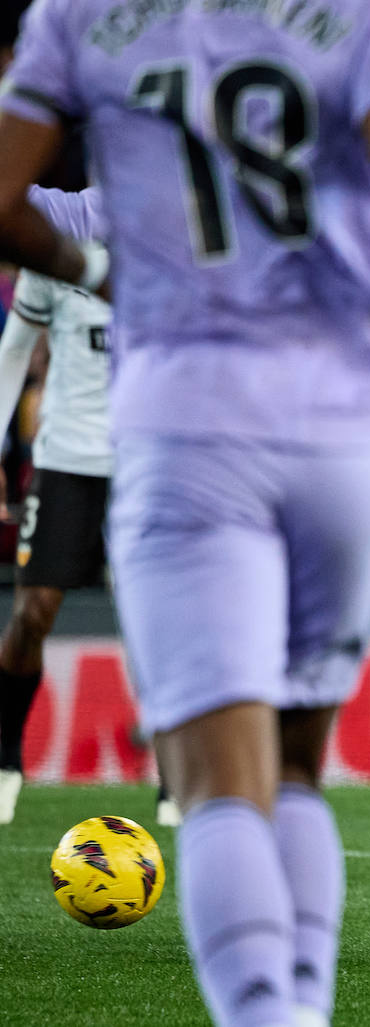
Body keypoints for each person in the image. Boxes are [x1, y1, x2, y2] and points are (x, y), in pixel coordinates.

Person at [0, 4, 370, 1025]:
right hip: (340, 425)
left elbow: (5, 199)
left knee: (219, 785)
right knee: (298, 768)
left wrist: (102, 269)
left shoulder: (78, 18)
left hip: (186, 422)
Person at [0, 186, 114, 825]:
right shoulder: (62, 236)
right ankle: (6, 753)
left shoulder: (189, 238)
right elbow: (16, 347)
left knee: (166, 627)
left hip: (152, 463)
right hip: (68, 457)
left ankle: (177, 782)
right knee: (33, 611)